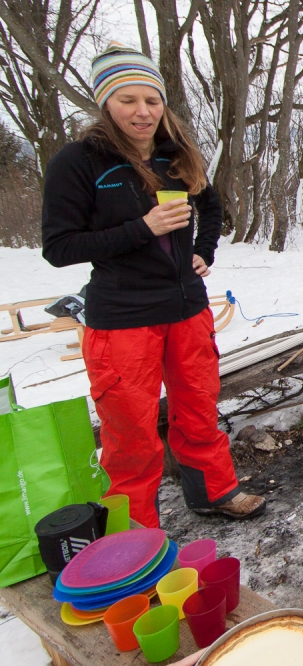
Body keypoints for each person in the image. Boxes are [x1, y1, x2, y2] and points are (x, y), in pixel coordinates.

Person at [41, 43, 265, 527]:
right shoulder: (79, 162)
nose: (143, 112)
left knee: (199, 411)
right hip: (122, 321)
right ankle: (135, 533)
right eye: (128, 100)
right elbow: (58, 247)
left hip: (186, 309)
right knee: (131, 436)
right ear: (106, 104)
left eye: (152, 100)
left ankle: (214, 492)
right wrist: (144, 227)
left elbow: (209, 204)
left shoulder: (174, 155)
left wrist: (204, 250)